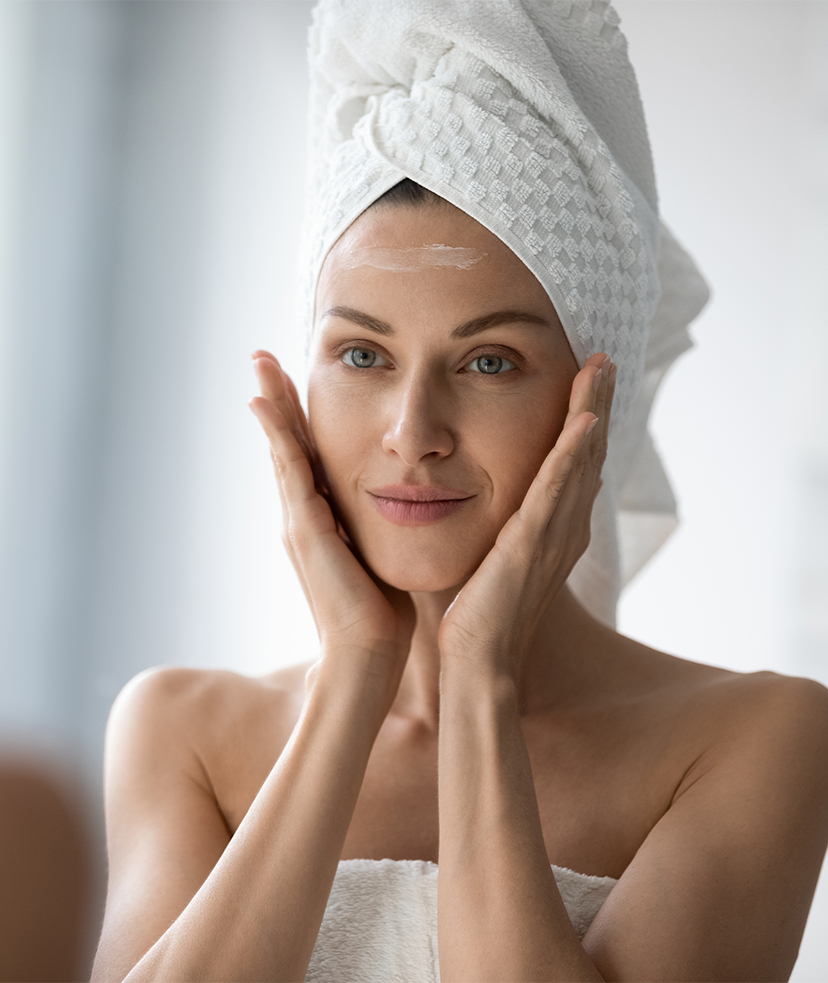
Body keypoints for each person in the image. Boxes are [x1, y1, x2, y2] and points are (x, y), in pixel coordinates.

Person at [91, 2, 828, 981]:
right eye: (362, 352)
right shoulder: (181, 730)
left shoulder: (752, 740)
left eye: (488, 361)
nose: (412, 432)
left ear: (591, 404)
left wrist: (481, 673)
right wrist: (357, 670)